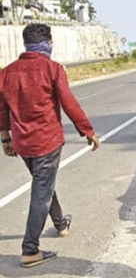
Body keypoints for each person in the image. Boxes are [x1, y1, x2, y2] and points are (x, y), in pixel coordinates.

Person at [0, 23, 100, 268]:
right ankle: (30, 249)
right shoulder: (52, 68)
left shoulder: (7, 72)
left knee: (43, 183)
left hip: (23, 143)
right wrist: (87, 130)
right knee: (41, 191)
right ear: (48, 42)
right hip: (46, 141)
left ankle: (61, 224)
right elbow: (68, 102)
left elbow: (2, 109)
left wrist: (6, 139)